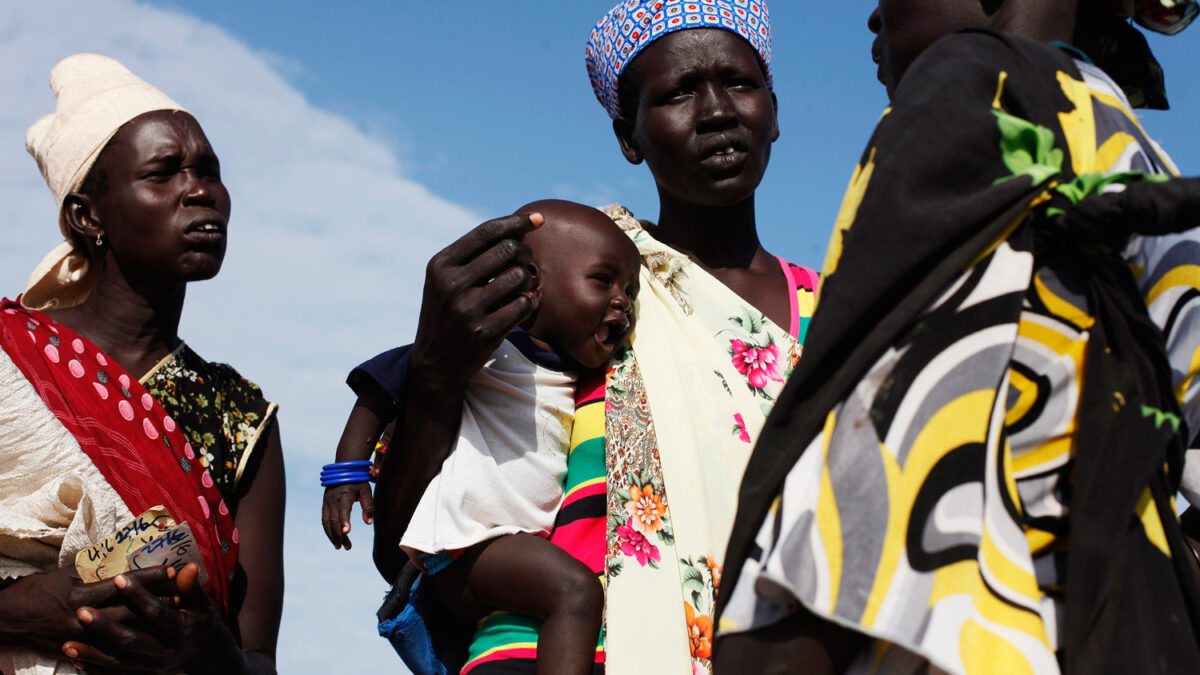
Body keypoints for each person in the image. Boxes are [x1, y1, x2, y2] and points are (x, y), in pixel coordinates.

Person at [718, 1, 1200, 673]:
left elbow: (888, 418)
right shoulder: (1131, 141)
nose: (872, 15)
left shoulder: (970, 87)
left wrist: (772, 645)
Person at [370, 2, 819, 673]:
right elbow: (405, 544)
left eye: (740, 83)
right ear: (627, 138)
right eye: (678, 93)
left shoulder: (838, 312)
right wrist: (434, 376)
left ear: (775, 112)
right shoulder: (574, 285)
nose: (719, 109)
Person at [0, 54, 284, 674]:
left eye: (209, 172)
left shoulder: (240, 415)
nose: (199, 191)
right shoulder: (8, 360)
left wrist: (214, 658)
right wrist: (15, 610)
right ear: (88, 215)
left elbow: (258, 654)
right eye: (164, 173)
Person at [336, 200, 638, 674]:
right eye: (603, 281)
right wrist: (346, 473)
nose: (622, 301)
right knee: (576, 592)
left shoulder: (586, 379)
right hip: (469, 541)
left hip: (504, 545)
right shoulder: (492, 347)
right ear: (532, 284)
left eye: (631, 292)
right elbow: (388, 380)